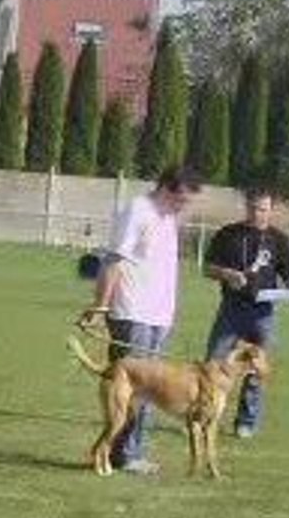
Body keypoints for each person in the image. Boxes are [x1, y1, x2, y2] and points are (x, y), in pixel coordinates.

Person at [79, 167, 202, 475]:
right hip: (133, 314)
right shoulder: (138, 210)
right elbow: (114, 260)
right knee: (130, 392)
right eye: (181, 199)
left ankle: (129, 452)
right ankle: (125, 454)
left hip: (158, 316)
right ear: (165, 188)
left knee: (153, 392)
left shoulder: (167, 216)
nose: (183, 206)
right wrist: (101, 307)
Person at [203, 188, 289, 439]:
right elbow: (208, 268)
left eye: (264, 209)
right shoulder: (228, 234)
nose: (258, 214)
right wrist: (228, 275)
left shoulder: (278, 239)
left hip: (264, 314)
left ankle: (246, 422)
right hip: (231, 310)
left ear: (271, 209)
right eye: (254, 208)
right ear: (246, 207)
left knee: (257, 370)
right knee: (214, 362)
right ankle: (205, 414)